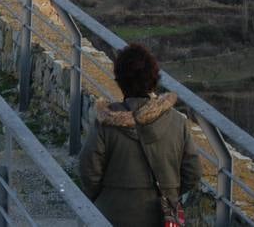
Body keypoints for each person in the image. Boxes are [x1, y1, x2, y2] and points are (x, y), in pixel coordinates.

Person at [79, 43, 200, 227]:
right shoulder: (178, 122)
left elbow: (88, 170)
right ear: (154, 78)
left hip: (112, 215)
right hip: (161, 218)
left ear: (120, 80)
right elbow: (192, 172)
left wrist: (105, 196)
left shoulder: (106, 122)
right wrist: (169, 192)